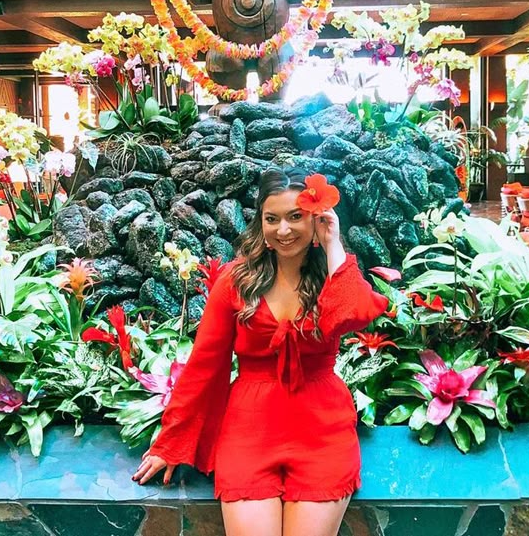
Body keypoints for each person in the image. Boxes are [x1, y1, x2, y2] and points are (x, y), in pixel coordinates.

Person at [133, 168, 391, 536]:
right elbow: (205, 364)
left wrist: (333, 243)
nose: (283, 229)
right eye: (272, 219)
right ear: (261, 222)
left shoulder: (333, 278)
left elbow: (356, 312)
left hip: (322, 428)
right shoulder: (236, 280)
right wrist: (171, 441)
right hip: (249, 427)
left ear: (315, 218)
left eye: (295, 217)